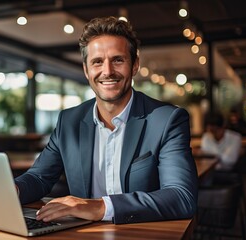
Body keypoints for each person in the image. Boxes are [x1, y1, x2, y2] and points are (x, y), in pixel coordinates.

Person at [14, 16, 197, 224]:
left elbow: (181, 196)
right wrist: (13, 190)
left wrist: (100, 207)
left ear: (135, 65)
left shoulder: (167, 120)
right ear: (86, 70)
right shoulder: (69, 121)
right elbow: (39, 178)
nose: (107, 71)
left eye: (118, 60)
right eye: (97, 62)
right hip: (82, 234)